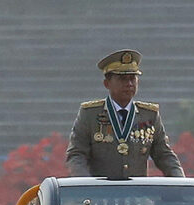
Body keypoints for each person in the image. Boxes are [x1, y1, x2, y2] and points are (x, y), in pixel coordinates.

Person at [66, 49, 184, 179]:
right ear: (107, 83)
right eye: (122, 79)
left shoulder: (149, 115)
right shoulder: (90, 114)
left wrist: (180, 182)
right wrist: (85, 185)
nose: (129, 84)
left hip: (137, 195)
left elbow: (164, 155)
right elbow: (76, 155)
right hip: (101, 195)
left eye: (132, 79)